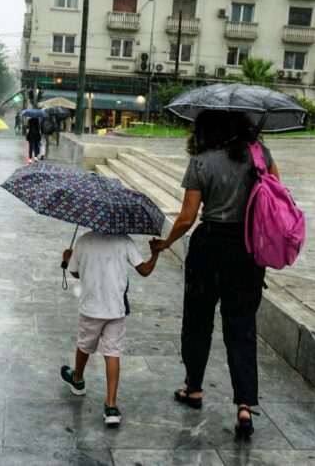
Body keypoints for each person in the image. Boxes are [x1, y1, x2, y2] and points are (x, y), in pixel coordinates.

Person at [150, 110, 280, 439]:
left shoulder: (202, 161)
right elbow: (276, 197)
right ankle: (245, 407)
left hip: (209, 247)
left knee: (197, 321)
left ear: (208, 127)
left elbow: (186, 217)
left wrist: (166, 243)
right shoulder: (260, 155)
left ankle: (194, 388)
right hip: (248, 250)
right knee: (241, 327)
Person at [60, 231, 160, 426]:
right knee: (113, 353)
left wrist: (68, 258)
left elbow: (76, 272)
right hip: (115, 309)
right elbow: (145, 270)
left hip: (91, 308)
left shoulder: (83, 240)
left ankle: (78, 379)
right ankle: (111, 405)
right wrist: (156, 253)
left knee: (84, 345)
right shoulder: (125, 241)